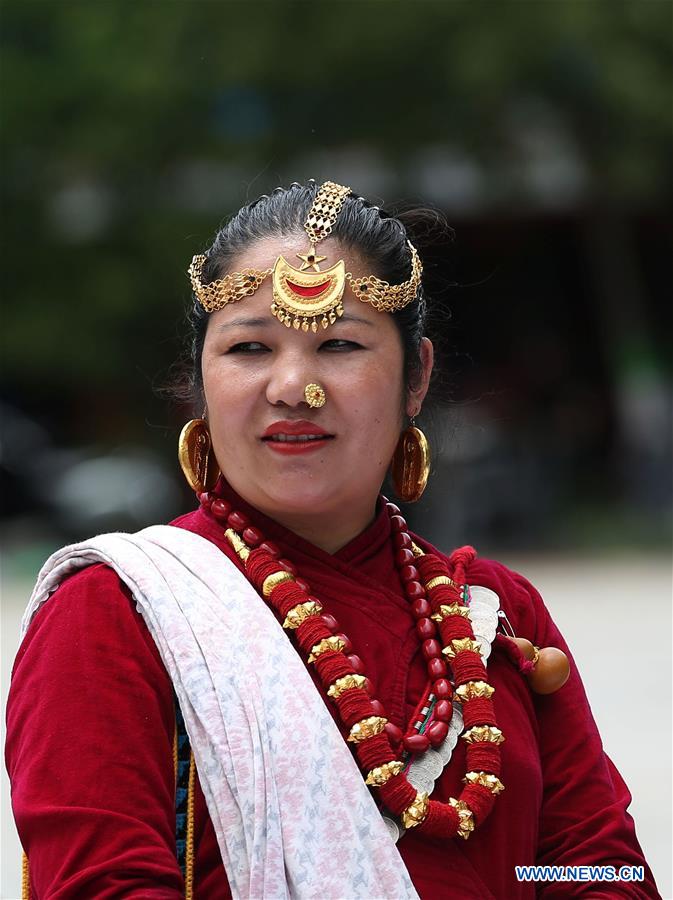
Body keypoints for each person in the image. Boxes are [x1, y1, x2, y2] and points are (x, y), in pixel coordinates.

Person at [5, 181, 659, 899]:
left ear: (416, 379)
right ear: (200, 380)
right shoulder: (118, 614)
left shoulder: (497, 618)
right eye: (249, 347)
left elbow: (591, 866)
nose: (292, 386)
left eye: (340, 344)